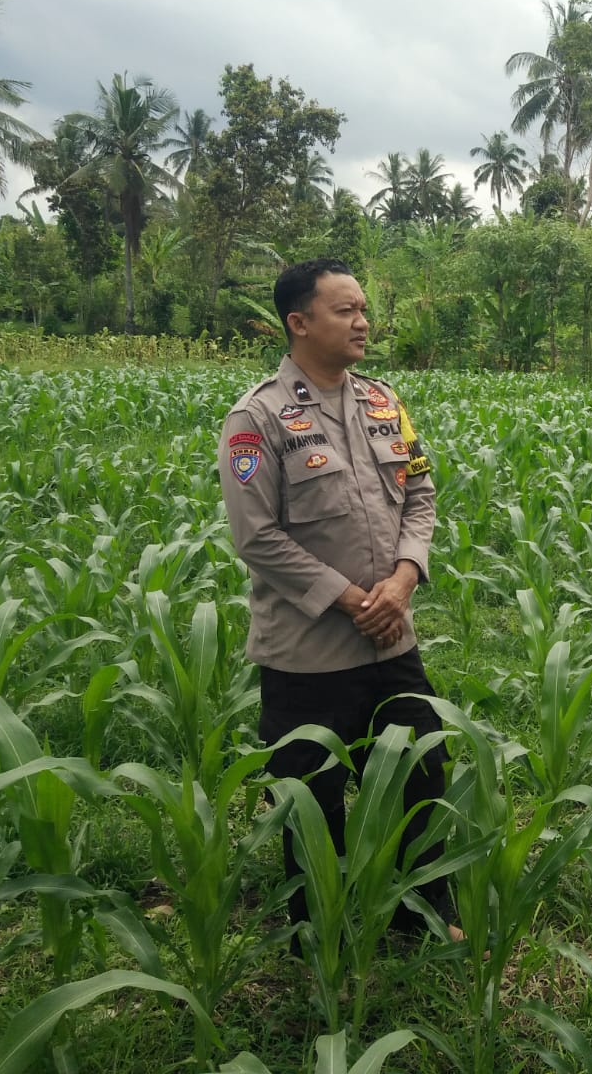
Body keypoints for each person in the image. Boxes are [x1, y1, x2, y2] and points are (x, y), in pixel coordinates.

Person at [217, 257, 457, 941]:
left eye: (363, 309)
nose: (362, 322)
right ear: (299, 322)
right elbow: (256, 537)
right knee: (311, 797)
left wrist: (403, 579)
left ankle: (424, 912)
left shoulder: (384, 401)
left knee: (424, 768)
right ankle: (318, 931)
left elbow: (420, 494)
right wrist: (353, 600)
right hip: (309, 654)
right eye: (345, 310)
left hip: (392, 640)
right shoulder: (256, 418)